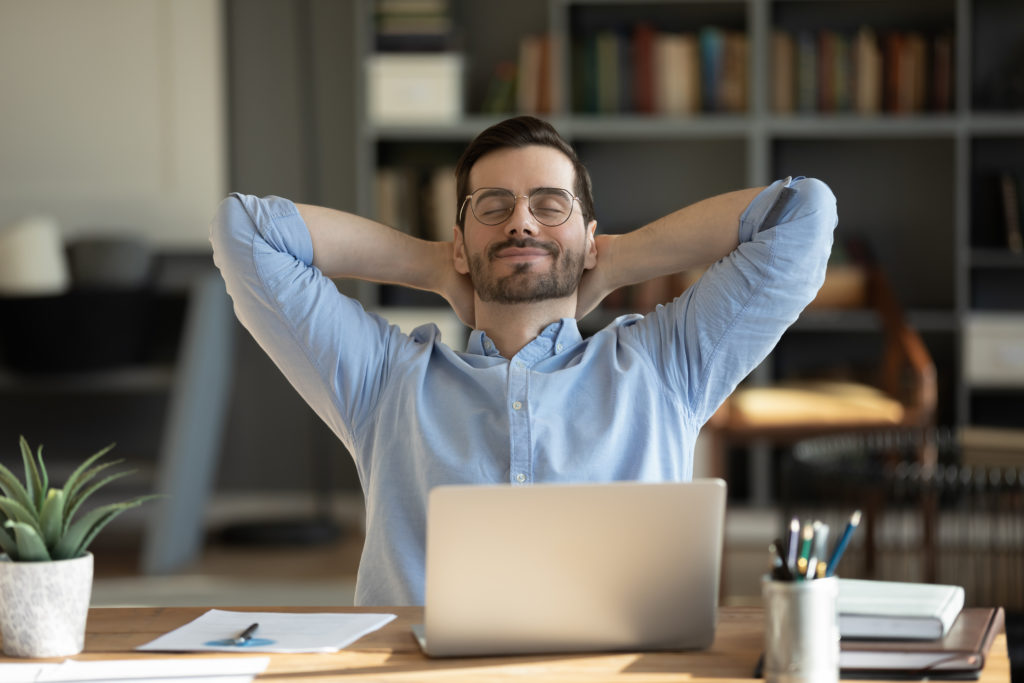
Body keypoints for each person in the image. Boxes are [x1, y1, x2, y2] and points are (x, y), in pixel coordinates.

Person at [211, 115, 837, 606]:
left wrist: (617, 261)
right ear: (461, 240)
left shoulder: (665, 365)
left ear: (588, 235)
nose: (520, 222)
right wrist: (436, 266)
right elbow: (245, 232)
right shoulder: (383, 380)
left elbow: (803, 213)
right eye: (492, 205)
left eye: (549, 204)